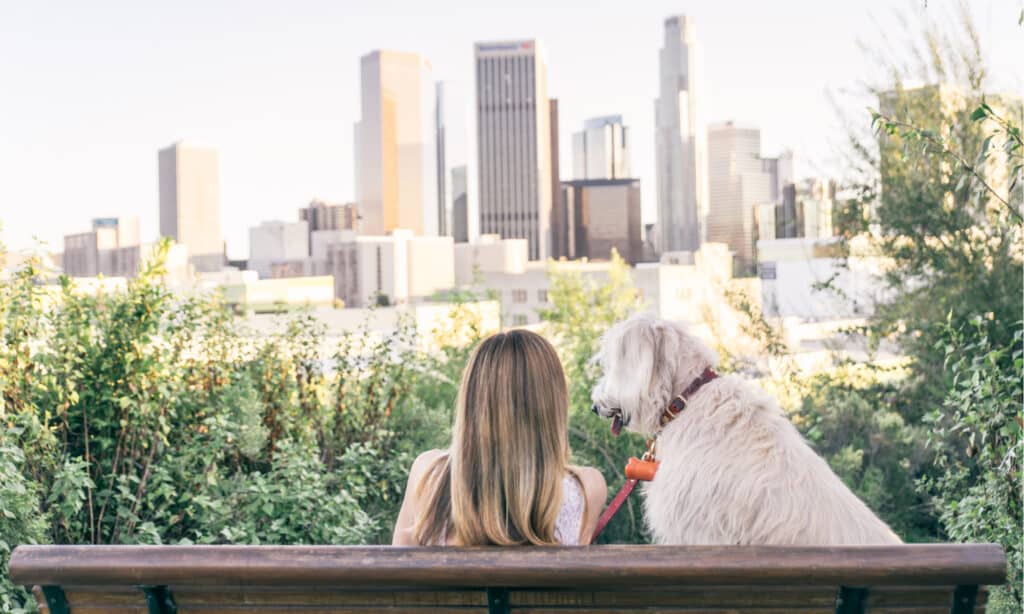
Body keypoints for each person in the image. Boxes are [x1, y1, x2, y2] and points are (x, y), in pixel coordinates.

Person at [392, 329, 607, 546]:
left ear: (472, 400)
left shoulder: (428, 474)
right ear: (552, 405)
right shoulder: (587, 488)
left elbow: (398, 568)